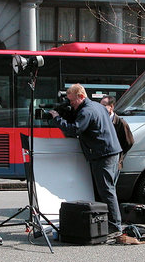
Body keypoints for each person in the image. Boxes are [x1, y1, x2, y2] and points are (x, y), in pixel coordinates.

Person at [50, 84, 124, 236]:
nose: (71, 104)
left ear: (81, 97)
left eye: (72, 101)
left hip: (103, 154)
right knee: (106, 190)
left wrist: (57, 119)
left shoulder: (87, 111)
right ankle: (109, 223)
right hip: (108, 152)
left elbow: (74, 129)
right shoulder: (97, 106)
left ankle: (115, 225)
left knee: (107, 190)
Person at [100, 95, 134, 174]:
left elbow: (129, 142)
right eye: (100, 105)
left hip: (114, 163)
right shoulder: (100, 120)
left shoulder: (121, 123)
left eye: (104, 105)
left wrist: (118, 154)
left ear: (111, 107)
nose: (101, 108)